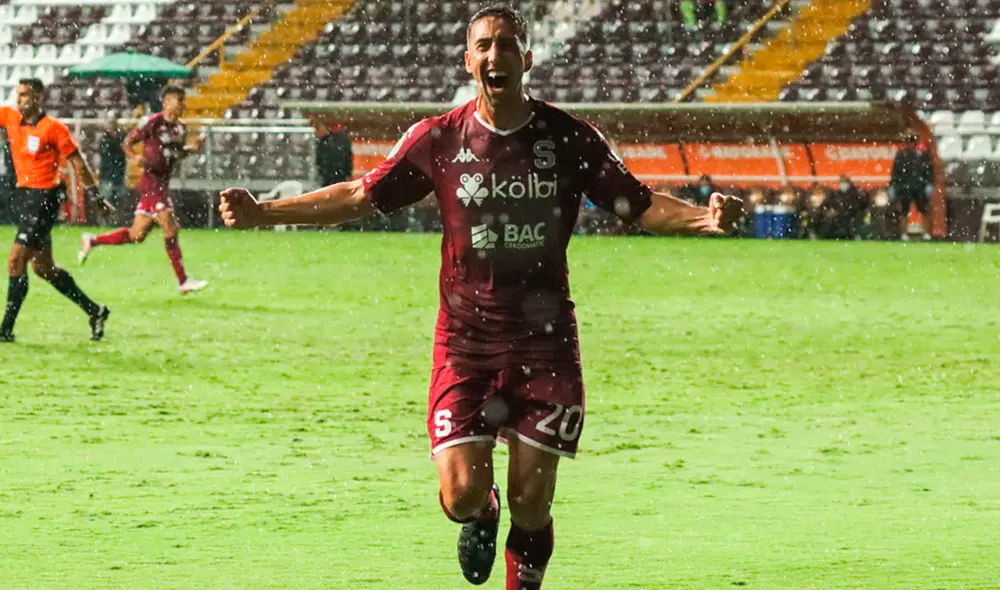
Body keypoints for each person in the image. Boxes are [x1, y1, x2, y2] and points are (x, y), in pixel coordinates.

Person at [218, 6, 742, 588]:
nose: (497, 56)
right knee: (463, 495)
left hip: (546, 346)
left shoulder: (569, 138)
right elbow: (358, 195)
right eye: (486, 46)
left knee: (533, 502)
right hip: (465, 345)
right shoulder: (439, 139)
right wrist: (264, 211)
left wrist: (702, 220)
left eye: (509, 45)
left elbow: (640, 204)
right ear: (469, 61)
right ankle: (481, 513)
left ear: (528, 59)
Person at [0, 78, 114, 343]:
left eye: (26, 95)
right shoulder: (10, 117)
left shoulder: (54, 129)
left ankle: (5, 329)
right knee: (44, 268)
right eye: (18, 95)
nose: (20, 100)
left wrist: (96, 197)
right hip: (25, 198)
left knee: (16, 260)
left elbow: (78, 163)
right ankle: (95, 311)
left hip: (44, 199)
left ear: (39, 97)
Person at [78, 85, 208, 294]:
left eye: (183, 100)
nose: (183, 104)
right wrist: (134, 156)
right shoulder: (154, 122)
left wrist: (191, 150)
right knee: (170, 228)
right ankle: (183, 281)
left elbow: (174, 155)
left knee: (136, 235)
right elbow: (127, 142)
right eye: (179, 100)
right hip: (151, 183)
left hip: (161, 185)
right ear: (166, 102)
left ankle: (93, 240)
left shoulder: (181, 129)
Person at [889, 133, 933, 240]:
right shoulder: (904, 154)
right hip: (910, 186)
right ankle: (907, 233)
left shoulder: (922, 154)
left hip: (914, 186)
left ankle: (924, 233)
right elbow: (896, 172)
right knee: (907, 211)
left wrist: (928, 183)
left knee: (920, 210)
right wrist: (894, 184)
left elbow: (928, 171)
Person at [98, 115, 128, 225]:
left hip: (118, 174)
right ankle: (104, 222)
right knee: (106, 200)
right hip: (107, 175)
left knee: (119, 200)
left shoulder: (120, 138)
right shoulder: (105, 140)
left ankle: (117, 221)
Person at [314, 121, 353, 187]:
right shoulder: (341, 140)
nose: (315, 133)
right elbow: (348, 158)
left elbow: (320, 160)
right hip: (337, 176)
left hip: (331, 176)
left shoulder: (325, 142)